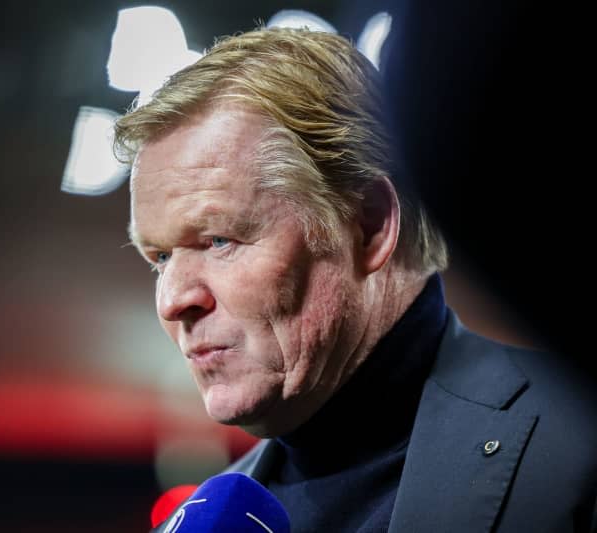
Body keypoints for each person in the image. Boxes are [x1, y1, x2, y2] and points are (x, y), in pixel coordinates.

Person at [114, 27, 597, 532]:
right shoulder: (214, 521)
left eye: (218, 240)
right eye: (161, 257)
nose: (173, 301)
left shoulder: (580, 432)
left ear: (369, 226)